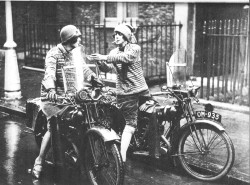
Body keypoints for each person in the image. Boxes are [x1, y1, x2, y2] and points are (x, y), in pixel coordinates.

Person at [32, 25, 96, 179]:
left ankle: (81, 153)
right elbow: (49, 73)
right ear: (70, 39)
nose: (80, 40)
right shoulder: (53, 53)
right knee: (53, 125)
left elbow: (84, 68)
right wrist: (51, 90)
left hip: (71, 95)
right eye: (77, 37)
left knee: (88, 113)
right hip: (53, 98)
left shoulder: (74, 52)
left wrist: (94, 77)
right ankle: (39, 160)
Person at [88, 23, 150, 164]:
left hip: (142, 90)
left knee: (149, 116)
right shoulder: (113, 52)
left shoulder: (135, 49)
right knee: (131, 124)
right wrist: (99, 62)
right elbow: (107, 68)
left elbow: (126, 58)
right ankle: (122, 158)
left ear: (126, 37)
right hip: (126, 93)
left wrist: (103, 57)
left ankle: (141, 143)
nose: (116, 37)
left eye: (119, 34)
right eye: (115, 34)